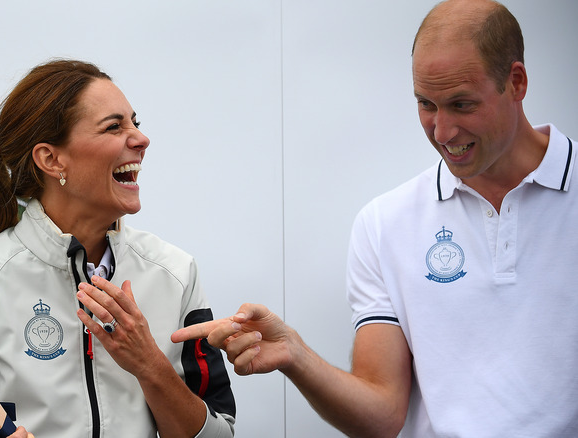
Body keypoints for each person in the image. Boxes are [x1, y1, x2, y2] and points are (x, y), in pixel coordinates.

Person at [172, 0, 578, 436]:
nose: (441, 132)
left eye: (461, 104)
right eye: (426, 104)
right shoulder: (385, 223)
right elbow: (382, 416)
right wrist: (294, 354)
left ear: (516, 82)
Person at [0, 59, 236, 438]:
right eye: (114, 126)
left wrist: (150, 364)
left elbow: (220, 433)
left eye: (136, 122)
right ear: (51, 159)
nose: (140, 139)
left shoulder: (175, 272)